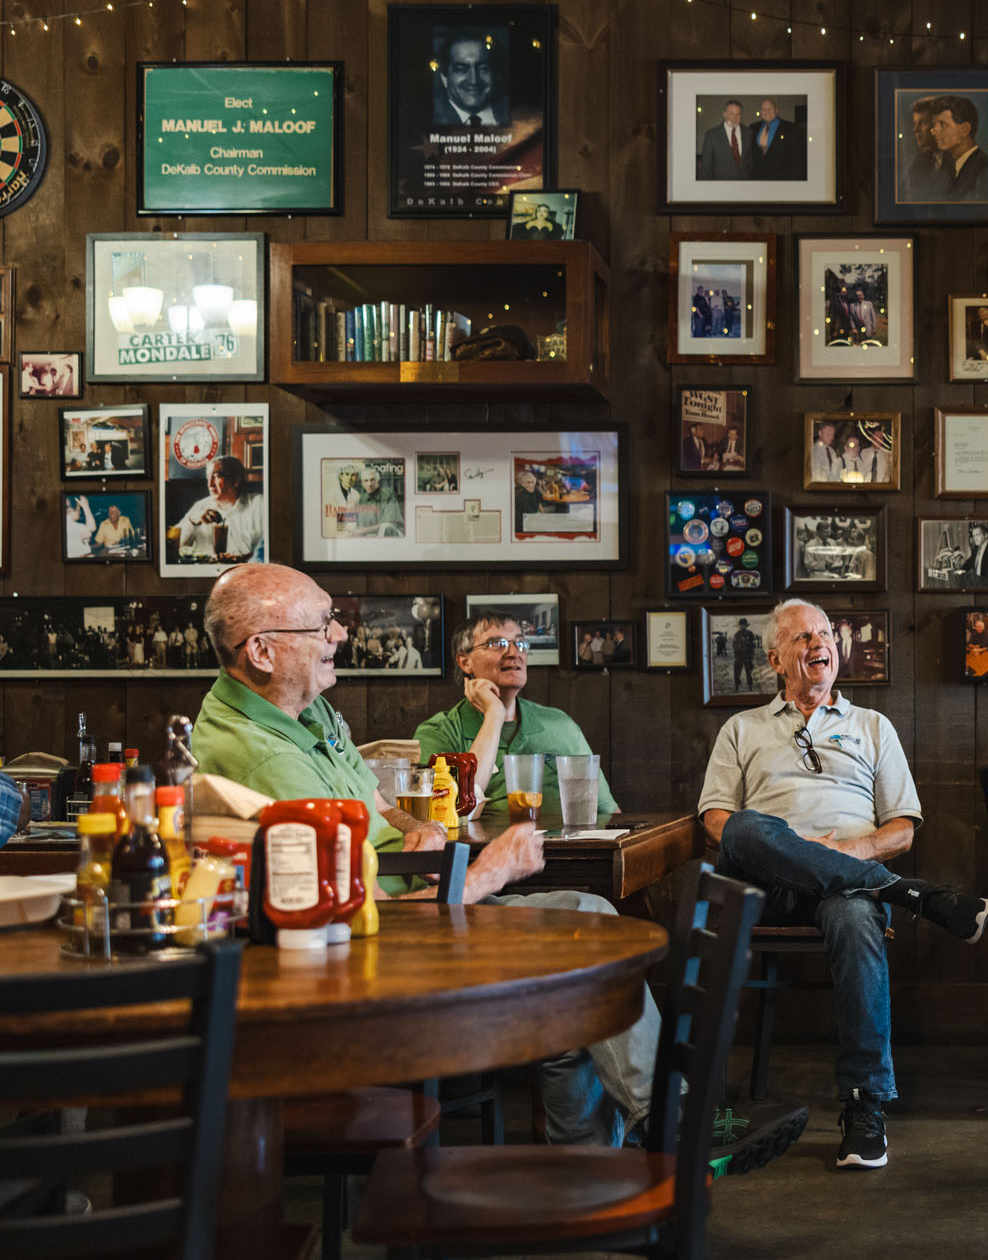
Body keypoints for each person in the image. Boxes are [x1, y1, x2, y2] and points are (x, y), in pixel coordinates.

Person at [185, 565, 653, 1147]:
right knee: (583, 935)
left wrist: (421, 829)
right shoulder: (260, 759)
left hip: (415, 905)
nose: (339, 636)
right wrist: (490, 872)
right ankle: (660, 1121)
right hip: (374, 951)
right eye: (322, 625)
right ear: (261, 651)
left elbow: (380, 803)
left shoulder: (306, 713)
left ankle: (597, 1154)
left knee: (583, 937)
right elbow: (365, 912)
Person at [698, 598, 988, 1170]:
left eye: (826, 633)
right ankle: (906, 893)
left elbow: (903, 829)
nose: (820, 643)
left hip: (846, 888)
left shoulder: (872, 726)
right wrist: (799, 851)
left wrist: (849, 853)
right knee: (748, 827)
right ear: (776, 657)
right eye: (803, 636)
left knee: (856, 918)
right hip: (766, 885)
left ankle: (864, 1106)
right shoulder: (741, 728)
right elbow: (715, 822)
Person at [416, 613, 619, 819]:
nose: (514, 653)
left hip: (570, 848)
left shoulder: (560, 724)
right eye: (496, 643)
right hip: (482, 851)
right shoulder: (439, 733)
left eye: (520, 643)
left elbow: (610, 813)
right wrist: (494, 715)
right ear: (465, 661)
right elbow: (451, 813)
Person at [175, 456, 266, 565]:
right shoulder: (200, 507)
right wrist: (192, 521)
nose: (210, 484)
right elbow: (172, 546)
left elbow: (269, 549)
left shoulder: (260, 505)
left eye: (216, 476)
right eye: (208, 477)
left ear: (236, 481)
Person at [432, 34, 508, 127]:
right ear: (444, 78)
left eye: (483, 69)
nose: (474, 81)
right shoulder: (429, 116)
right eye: (461, 69)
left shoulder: (515, 112)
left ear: (497, 76)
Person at [927, 96, 988, 201]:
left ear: (965, 129)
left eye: (942, 124)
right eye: (934, 125)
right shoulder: (947, 167)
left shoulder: (985, 171)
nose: (933, 131)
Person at [749, 97, 806, 180]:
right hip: (758, 177)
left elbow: (798, 156)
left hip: (781, 177)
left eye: (770, 109)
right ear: (761, 112)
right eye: (764, 109)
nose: (767, 112)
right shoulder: (753, 127)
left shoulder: (790, 127)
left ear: (776, 110)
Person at [900, 97, 945, 200]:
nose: (915, 130)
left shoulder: (956, 158)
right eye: (915, 123)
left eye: (923, 123)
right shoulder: (923, 158)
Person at [696, 99, 752, 182]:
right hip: (721, 186)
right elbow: (706, 167)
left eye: (738, 114)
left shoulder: (748, 133)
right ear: (725, 114)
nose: (735, 117)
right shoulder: (712, 135)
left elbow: (750, 162)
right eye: (731, 113)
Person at [958, 521, 988, 589]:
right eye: (973, 536)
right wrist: (961, 570)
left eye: (977, 535)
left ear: (986, 535)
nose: (974, 538)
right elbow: (971, 560)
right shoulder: (976, 547)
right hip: (977, 582)